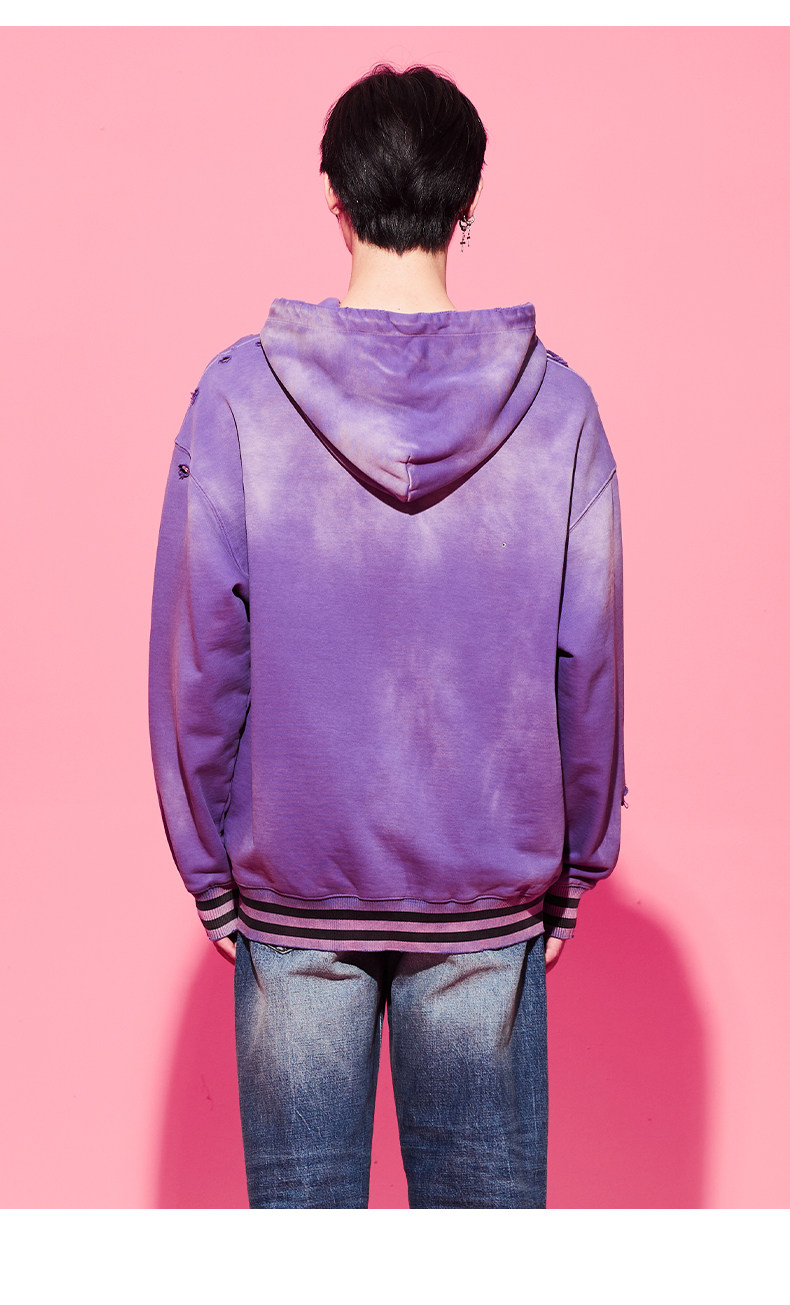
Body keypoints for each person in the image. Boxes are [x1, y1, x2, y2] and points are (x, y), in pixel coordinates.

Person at [148, 63, 626, 1210]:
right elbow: (590, 664)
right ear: (467, 204)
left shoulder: (239, 401)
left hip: (294, 896)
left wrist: (211, 874)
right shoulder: (558, 412)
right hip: (484, 904)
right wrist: (575, 871)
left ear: (336, 200)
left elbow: (198, 664)